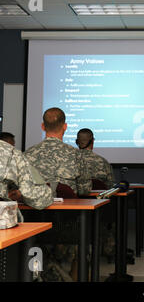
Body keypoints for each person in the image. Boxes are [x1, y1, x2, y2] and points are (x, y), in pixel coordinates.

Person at [24, 107, 92, 281]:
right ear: (65, 126)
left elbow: (21, 190)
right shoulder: (76, 155)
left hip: (33, 225)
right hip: (69, 227)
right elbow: (85, 190)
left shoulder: (27, 155)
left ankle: (35, 275)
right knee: (85, 239)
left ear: (42, 126)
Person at [76, 128, 116, 262]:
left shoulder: (69, 161)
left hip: (72, 212)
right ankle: (108, 249)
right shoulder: (102, 162)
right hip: (100, 212)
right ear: (92, 142)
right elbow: (111, 187)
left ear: (77, 142)